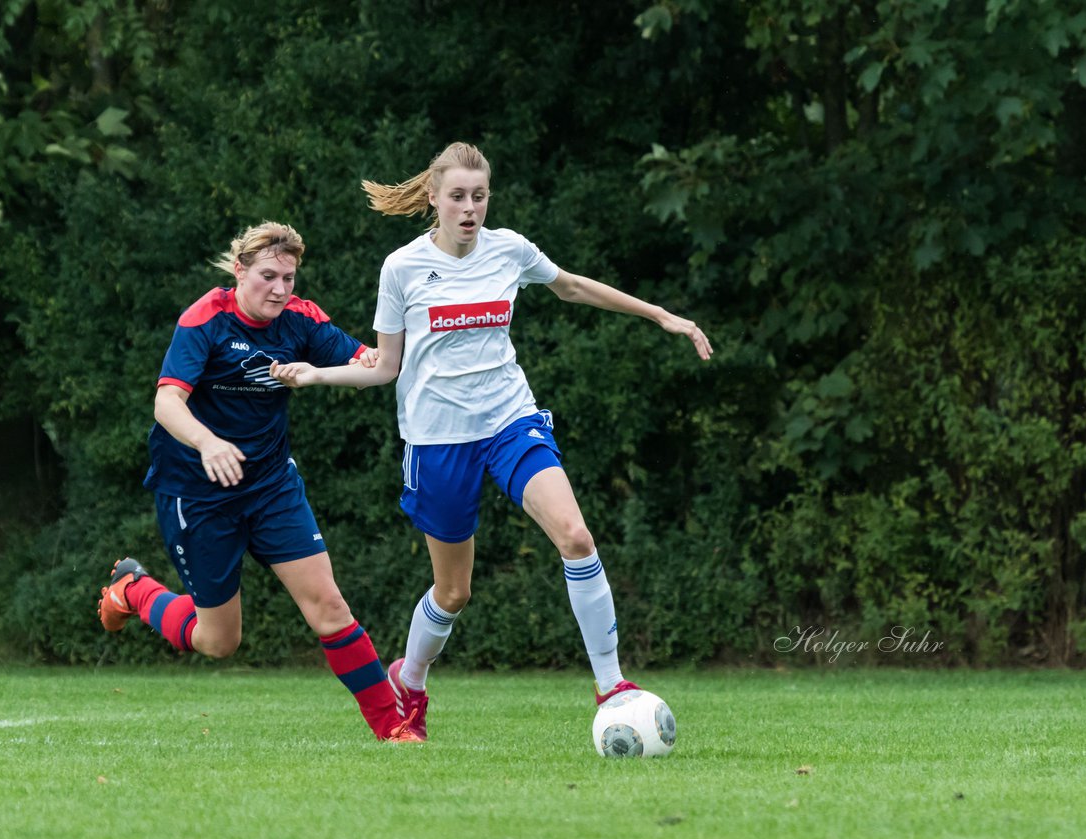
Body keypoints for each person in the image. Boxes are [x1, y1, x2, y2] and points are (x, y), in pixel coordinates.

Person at [269, 142, 712, 741]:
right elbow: (384, 366)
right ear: (434, 198)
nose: (470, 208)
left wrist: (662, 315)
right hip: (436, 442)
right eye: (457, 196)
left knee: (576, 536)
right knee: (454, 591)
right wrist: (317, 373)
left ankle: (612, 684)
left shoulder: (511, 250)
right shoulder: (402, 268)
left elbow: (573, 286)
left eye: (479, 196)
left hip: (509, 421)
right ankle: (412, 681)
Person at [96, 221, 420, 742]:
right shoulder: (205, 320)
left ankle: (394, 729)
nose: (280, 289)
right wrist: (209, 443)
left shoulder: (302, 320)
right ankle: (135, 590)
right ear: (239, 271)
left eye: (289, 277)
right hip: (197, 493)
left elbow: (374, 364)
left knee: (330, 607)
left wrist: (375, 355)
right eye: (268, 276)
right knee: (219, 641)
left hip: (270, 487)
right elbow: (165, 403)